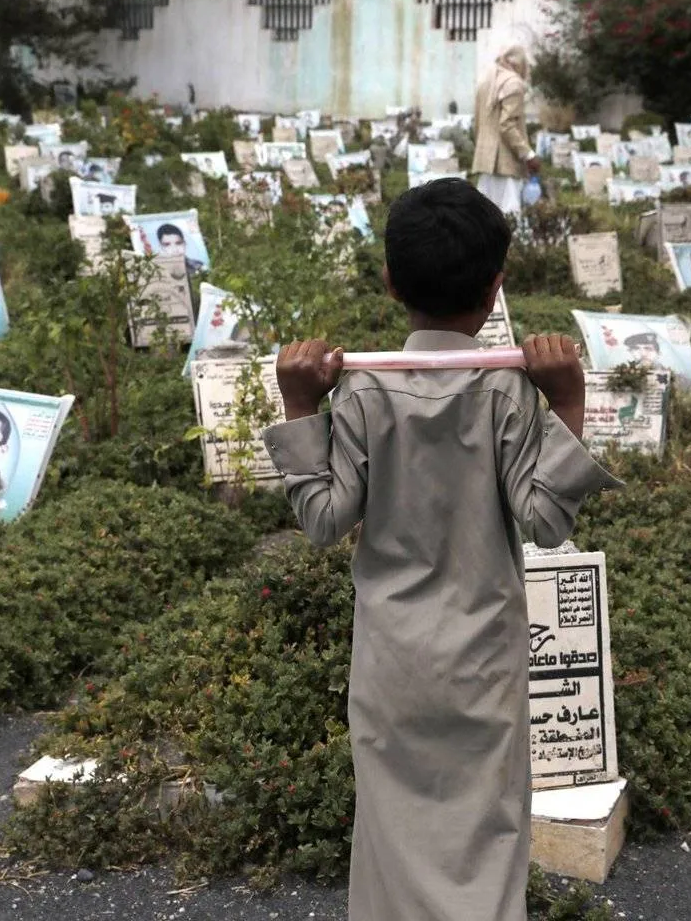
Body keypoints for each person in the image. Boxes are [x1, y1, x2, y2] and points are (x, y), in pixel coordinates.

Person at [261, 178, 619, 921]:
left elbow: (324, 520)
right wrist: (569, 402)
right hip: (483, 660)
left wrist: (300, 407)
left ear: (390, 282)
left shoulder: (361, 392)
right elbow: (547, 523)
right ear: (496, 288)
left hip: (391, 663)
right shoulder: (509, 395)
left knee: (391, 838)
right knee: (486, 836)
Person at [472, 45, 539, 219]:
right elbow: (507, 125)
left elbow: (478, 120)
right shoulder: (513, 83)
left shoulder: (486, 78)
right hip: (506, 160)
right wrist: (528, 154)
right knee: (509, 217)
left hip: (486, 158)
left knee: (483, 217)